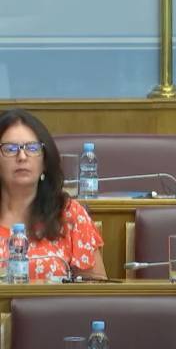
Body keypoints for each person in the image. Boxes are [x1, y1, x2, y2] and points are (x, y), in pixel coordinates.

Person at [0, 108, 106, 281]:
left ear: (45, 161)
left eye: (32, 148)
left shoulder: (69, 214)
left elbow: (95, 290)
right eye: (10, 149)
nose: (22, 156)